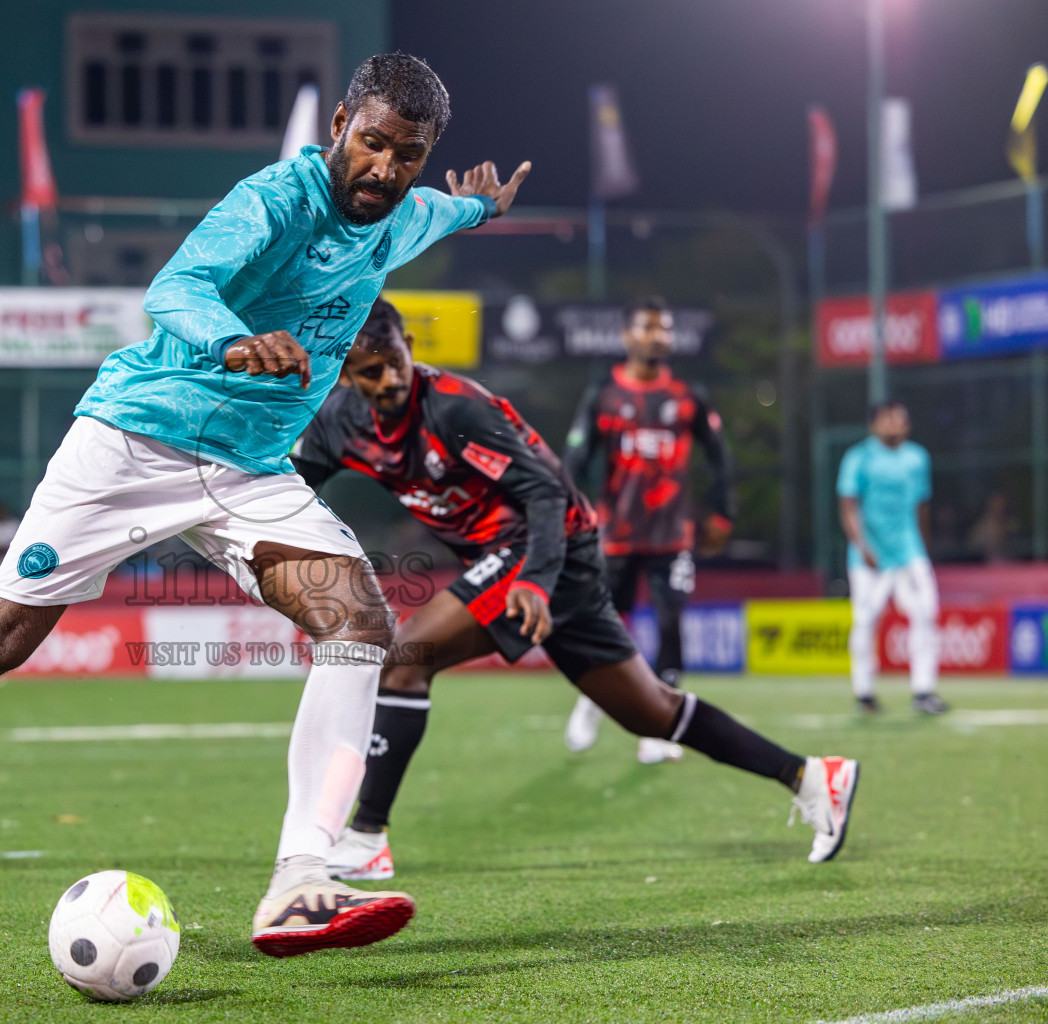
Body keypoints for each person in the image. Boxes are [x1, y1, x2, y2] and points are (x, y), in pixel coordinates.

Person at [0, 54, 531, 957]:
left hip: (248, 470)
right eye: (371, 145)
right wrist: (237, 342)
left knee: (357, 618)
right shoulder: (274, 201)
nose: (386, 171)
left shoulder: (405, 212)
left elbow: (449, 207)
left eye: (408, 154)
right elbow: (173, 290)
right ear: (338, 130)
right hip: (133, 442)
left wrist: (484, 204)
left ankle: (301, 878)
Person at [292, 298, 858, 881]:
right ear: (347, 371)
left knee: (407, 659)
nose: (386, 380)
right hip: (530, 561)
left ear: (410, 346)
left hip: (549, 548)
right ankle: (814, 777)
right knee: (651, 713)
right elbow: (292, 489)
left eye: (394, 363)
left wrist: (535, 582)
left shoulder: (457, 409)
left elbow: (546, 494)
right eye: (369, 371)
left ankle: (367, 837)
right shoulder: (341, 423)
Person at [561, 297, 735, 763]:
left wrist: (722, 514)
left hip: (671, 536)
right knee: (605, 624)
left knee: (671, 621)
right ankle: (592, 699)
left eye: (665, 328)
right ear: (628, 336)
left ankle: (660, 726)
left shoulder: (687, 396)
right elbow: (574, 459)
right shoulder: (604, 394)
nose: (658, 335)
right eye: (648, 327)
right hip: (614, 534)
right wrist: (568, 512)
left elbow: (720, 457)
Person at [838, 400, 947, 714]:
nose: (895, 424)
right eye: (888, 419)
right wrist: (862, 547)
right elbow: (848, 507)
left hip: (909, 551)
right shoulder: (859, 458)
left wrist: (922, 548)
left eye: (901, 419)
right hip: (869, 556)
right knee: (865, 621)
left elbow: (921, 506)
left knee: (926, 612)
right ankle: (864, 692)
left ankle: (924, 690)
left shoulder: (917, 458)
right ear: (874, 424)